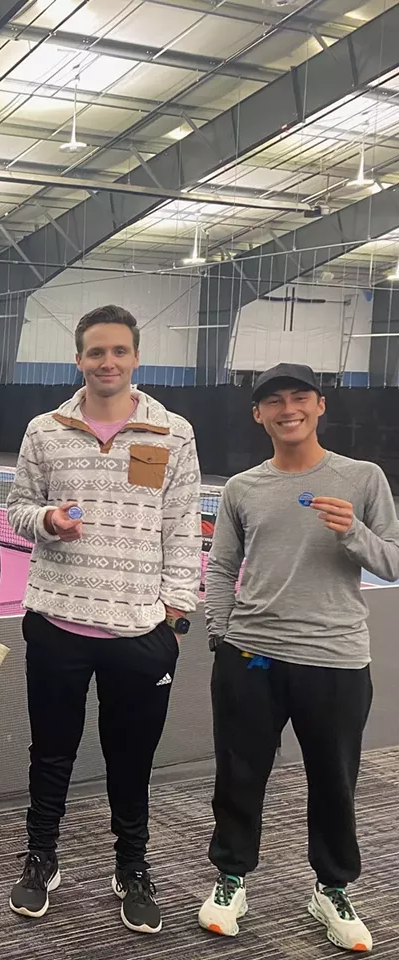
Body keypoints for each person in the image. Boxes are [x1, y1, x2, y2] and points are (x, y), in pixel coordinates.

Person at [4, 304, 201, 935]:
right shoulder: (45, 430)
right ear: (80, 359)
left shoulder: (174, 434)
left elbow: (181, 526)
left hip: (141, 633)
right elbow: (18, 510)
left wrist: (174, 614)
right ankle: (41, 857)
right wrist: (47, 522)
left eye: (118, 351)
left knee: (130, 758)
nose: (107, 362)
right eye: (95, 352)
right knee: (50, 754)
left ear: (135, 358)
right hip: (58, 622)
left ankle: (132, 865)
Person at [198, 362, 398, 952]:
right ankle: (231, 878)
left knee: (334, 782)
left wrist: (354, 534)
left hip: (335, 661)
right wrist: (223, 634)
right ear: (258, 414)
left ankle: (331, 889)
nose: (289, 409)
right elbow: (221, 565)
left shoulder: (362, 479)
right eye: (275, 401)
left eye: (300, 398)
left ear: (319, 406)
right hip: (250, 659)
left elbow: (392, 561)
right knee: (238, 778)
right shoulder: (242, 487)